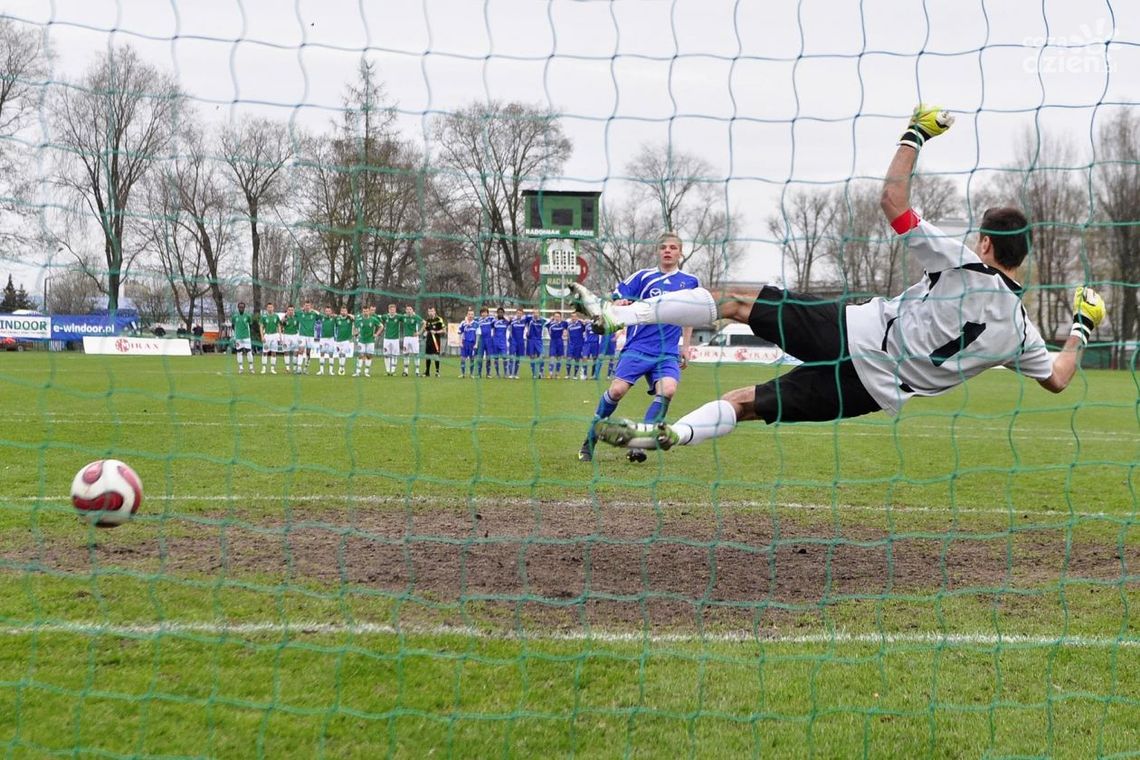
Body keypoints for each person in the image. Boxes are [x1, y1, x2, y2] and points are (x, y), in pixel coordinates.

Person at [576, 105, 1107, 454]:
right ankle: (669, 433)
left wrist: (916, 132)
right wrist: (1082, 326)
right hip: (871, 390)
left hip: (851, 334)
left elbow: (892, 201)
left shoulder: (963, 265)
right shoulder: (1019, 332)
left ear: (986, 245)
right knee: (746, 402)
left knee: (735, 301)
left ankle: (619, 314)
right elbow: (1058, 378)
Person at [576, 232, 698, 463]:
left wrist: (686, 346)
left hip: (667, 352)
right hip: (638, 347)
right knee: (617, 391)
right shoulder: (643, 277)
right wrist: (619, 302)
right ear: (657, 251)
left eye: (673, 247)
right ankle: (589, 440)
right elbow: (616, 298)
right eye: (663, 247)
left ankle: (640, 443)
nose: (668, 251)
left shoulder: (690, 282)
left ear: (680, 252)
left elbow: (691, 314)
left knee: (668, 390)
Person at [355, 305, 381, 377]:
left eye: (366, 311)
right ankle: (358, 372)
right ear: (362, 312)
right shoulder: (359, 319)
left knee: (369, 356)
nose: (365, 312)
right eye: (364, 311)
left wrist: (376, 334)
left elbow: (381, 326)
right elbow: (354, 327)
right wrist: (356, 334)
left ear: (369, 311)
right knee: (360, 355)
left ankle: (366, 372)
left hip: (370, 340)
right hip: (361, 340)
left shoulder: (373, 319)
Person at [297, 300, 320, 374]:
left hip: (310, 336)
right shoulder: (300, 313)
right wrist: (301, 309)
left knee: (308, 352)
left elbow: (320, 315)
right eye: (306, 305)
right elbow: (294, 312)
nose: (307, 307)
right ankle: (299, 368)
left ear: (310, 306)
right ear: (304, 306)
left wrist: (314, 310)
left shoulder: (314, 314)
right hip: (302, 335)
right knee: (300, 350)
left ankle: (306, 368)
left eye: (308, 306)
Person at [401, 305, 424, 377]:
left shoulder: (416, 317)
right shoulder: (404, 317)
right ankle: (405, 371)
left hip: (414, 338)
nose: (408, 311)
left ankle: (417, 371)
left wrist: (419, 332)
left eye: (410, 309)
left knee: (416, 354)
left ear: (412, 310)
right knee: (406, 354)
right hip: (406, 338)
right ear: (405, 310)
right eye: (407, 309)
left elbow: (424, 323)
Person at [423, 306, 446, 377]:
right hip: (429, 340)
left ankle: (437, 372)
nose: (430, 313)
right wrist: (424, 333)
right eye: (429, 311)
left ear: (435, 312)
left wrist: (436, 332)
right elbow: (426, 330)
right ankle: (427, 372)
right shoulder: (428, 320)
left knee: (436, 356)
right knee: (428, 356)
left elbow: (444, 330)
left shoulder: (439, 319)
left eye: (432, 311)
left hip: (436, 341)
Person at [232, 301, 254, 375]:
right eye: (240, 307)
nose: (241, 308)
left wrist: (247, 333)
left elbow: (250, 325)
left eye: (242, 307)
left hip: (246, 337)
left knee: (249, 352)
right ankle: (240, 368)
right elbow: (233, 326)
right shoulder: (235, 316)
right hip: (238, 338)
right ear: (238, 308)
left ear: (244, 308)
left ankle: (251, 367)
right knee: (239, 352)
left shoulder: (248, 316)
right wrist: (237, 333)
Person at [380, 303, 402, 376]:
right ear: (388, 310)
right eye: (391, 310)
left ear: (395, 310)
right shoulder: (385, 316)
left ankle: (393, 371)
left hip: (395, 339)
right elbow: (378, 318)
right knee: (386, 355)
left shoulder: (399, 317)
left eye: (393, 310)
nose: (392, 311)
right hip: (386, 339)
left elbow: (407, 317)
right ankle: (387, 370)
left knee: (394, 355)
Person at [259, 302, 281, 374]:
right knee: (265, 352)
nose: (270, 309)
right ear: (267, 308)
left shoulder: (276, 316)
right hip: (267, 335)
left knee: (274, 352)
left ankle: (272, 368)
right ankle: (264, 368)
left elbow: (279, 326)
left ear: (273, 308)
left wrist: (280, 336)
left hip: (274, 335)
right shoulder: (264, 316)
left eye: (271, 307)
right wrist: (262, 336)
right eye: (268, 307)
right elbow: (261, 327)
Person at [525, 308, 546, 379]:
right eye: (534, 313)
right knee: (532, 357)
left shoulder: (542, 320)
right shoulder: (529, 319)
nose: (535, 314)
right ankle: (534, 374)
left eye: (537, 313)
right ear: (532, 314)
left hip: (539, 340)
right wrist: (527, 331)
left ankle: (541, 372)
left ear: (539, 314)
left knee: (542, 355)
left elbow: (550, 321)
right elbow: (521, 320)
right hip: (531, 340)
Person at [507, 307, 528, 379]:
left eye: (520, 313)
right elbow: (507, 325)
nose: (519, 314)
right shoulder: (512, 321)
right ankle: (510, 374)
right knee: (511, 356)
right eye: (518, 313)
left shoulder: (524, 321)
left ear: (522, 314)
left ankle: (516, 374)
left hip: (521, 341)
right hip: (513, 340)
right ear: (516, 313)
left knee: (518, 358)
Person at [334, 306, 354, 376]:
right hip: (338, 339)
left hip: (346, 340)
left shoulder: (350, 318)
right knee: (340, 354)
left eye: (345, 311)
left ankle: (342, 367)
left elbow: (355, 318)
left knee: (343, 353)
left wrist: (348, 315)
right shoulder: (337, 319)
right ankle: (340, 366)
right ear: (340, 312)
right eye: (342, 311)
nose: (343, 312)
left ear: (347, 311)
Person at [316, 305, 336, 376]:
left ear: (331, 312)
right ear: (325, 312)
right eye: (326, 311)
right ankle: (321, 371)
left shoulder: (334, 318)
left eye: (329, 311)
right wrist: (311, 310)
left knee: (331, 354)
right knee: (322, 353)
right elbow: (316, 313)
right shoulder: (322, 317)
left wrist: (335, 315)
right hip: (323, 338)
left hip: (331, 338)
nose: (328, 312)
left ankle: (331, 371)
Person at [566, 312, 587, 379]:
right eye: (572, 316)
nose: (573, 318)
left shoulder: (580, 324)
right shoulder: (569, 325)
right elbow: (568, 334)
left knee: (577, 359)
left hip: (579, 344)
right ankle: (568, 374)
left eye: (575, 316)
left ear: (577, 317)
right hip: (571, 344)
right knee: (569, 358)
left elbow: (586, 329)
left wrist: (584, 322)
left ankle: (575, 375)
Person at [546, 311, 567, 379]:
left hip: (560, 341)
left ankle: (557, 374)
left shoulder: (564, 323)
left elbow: (568, 324)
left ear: (560, 317)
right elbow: (545, 324)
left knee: (559, 358)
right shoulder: (550, 324)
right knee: (552, 357)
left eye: (558, 316)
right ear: (554, 317)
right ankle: (550, 374)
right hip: (553, 341)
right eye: (555, 316)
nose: (557, 318)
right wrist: (550, 320)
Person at [458, 309, 478, 378]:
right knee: (462, 358)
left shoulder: (476, 324)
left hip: (472, 344)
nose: (470, 316)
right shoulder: (463, 323)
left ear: (474, 315)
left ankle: (471, 374)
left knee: (472, 359)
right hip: (464, 343)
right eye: (469, 314)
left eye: (472, 314)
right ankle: (462, 374)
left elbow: (477, 334)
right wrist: (460, 342)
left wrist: (476, 344)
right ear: (467, 315)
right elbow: (460, 333)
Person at [475, 307, 494, 378]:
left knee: (488, 357)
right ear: (480, 314)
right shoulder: (478, 320)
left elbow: (497, 320)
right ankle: (479, 373)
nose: (484, 314)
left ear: (487, 313)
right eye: (482, 312)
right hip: (481, 340)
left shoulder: (490, 319)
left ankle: (488, 373)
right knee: (480, 357)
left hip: (489, 340)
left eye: (485, 312)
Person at [492, 307, 510, 378]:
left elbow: (512, 323)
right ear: (497, 313)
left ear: (503, 313)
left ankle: (505, 373)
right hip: (495, 341)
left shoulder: (506, 322)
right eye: (499, 312)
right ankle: (497, 374)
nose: (500, 314)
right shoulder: (494, 321)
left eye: (501, 312)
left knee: (504, 357)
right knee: (496, 358)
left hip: (503, 342)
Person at [281, 305, 299, 373]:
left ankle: (294, 368)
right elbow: (281, 324)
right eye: (289, 310)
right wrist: (284, 318)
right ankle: (287, 368)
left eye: (292, 310)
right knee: (286, 351)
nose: (291, 311)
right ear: (287, 311)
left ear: (293, 311)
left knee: (296, 351)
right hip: (286, 335)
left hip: (295, 335)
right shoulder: (285, 318)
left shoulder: (297, 318)